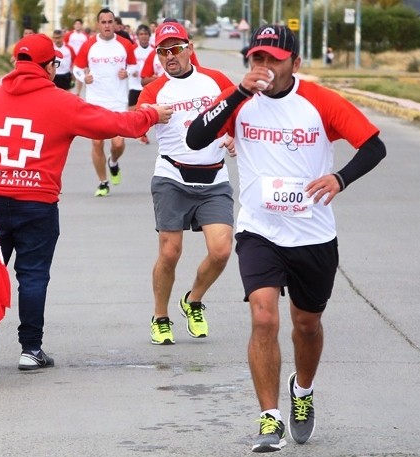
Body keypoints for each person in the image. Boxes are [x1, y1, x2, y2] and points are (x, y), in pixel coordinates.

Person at [186, 25, 386, 452]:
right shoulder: (239, 103)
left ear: (294, 63)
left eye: (273, 59)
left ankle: (303, 391)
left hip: (313, 234)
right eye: (257, 58)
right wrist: (237, 95)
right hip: (259, 230)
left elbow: (373, 146)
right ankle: (269, 418)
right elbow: (196, 137)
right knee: (263, 317)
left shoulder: (319, 102)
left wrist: (339, 177)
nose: (264, 67)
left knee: (306, 325)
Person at [0, 33, 172, 371]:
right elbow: (111, 124)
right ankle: (30, 350)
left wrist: (3, 170)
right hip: (38, 203)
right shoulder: (61, 102)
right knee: (33, 277)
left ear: (16, 63)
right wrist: (149, 115)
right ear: (50, 66)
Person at [137, 22, 235, 345]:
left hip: (213, 177)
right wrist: (148, 117)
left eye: (176, 49)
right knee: (170, 252)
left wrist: (233, 136)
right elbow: (137, 122)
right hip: (172, 177)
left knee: (221, 251)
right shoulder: (153, 91)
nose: (170, 56)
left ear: (190, 48)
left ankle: (193, 300)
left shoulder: (215, 81)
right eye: (163, 52)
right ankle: (160, 316)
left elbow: (239, 114)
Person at [73, 8, 137, 197]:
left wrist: (128, 72)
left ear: (115, 24)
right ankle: (103, 182)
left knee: (117, 144)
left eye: (110, 22)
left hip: (118, 101)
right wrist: (85, 79)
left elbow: (134, 66)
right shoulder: (89, 45)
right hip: (95, 101)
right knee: (97, 143)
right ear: (98, 25)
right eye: (104, 22)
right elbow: (76, 69)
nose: (107, 25)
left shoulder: (125, 44)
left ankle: (114, 162)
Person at [129, 24, 153, 144]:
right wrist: (130, 72)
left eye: (146, 34)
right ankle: (136, 130)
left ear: (149, 36)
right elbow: (126, 66)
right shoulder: (132, 50)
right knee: (132, 110)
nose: (143, 37)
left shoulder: (154, 50)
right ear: (137, 36)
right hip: (133, 85)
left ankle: (143, 134)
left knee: (144, 109)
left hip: (147, 85)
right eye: (141, 34)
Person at [64, 19, 88, 96]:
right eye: (76, 24)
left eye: (79, 24)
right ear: (74, 26)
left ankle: (78, 92)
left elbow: (88, 47)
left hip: (81, 58)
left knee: (79, 75)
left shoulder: (85, 36)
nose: (78, 25)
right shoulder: (69, 34)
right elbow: (65, 44)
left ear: (81, 25)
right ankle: (69, 90)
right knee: (71, 75)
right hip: (71, 58)